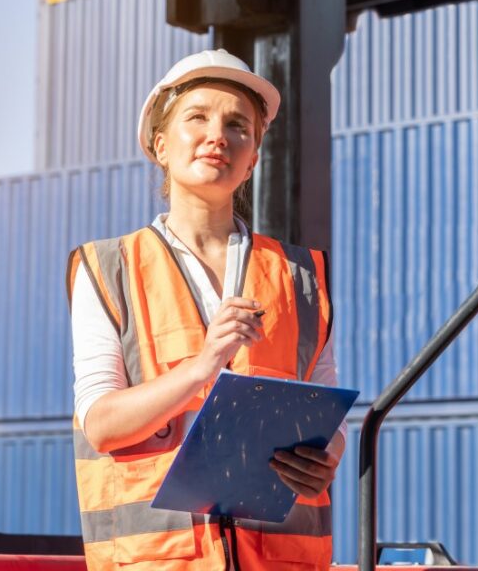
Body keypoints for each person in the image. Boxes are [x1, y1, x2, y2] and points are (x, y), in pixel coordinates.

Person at [68, 49, 345, 570]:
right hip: (158, 562)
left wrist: (326, 459)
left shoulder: (302, 276)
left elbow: (326, 406)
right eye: (197, 118)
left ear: (253, 159)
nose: (218, 135)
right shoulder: (108, 268)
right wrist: (201, 368)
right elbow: (100, 422)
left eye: (238, 125)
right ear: (161, 145)